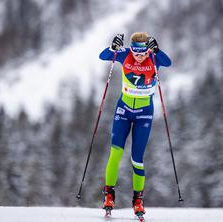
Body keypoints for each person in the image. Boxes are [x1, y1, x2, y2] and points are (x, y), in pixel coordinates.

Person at [99, 32, 171, 216]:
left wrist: (157, 50)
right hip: (123, 110)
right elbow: (103, 56)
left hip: (144, 115)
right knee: (115, 153)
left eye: (143, 53)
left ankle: (138, 200)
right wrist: (113, 47)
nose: (139, 57)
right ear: (131, 49)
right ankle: (109, 195)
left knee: (137, 159)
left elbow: (168, 62)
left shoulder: (154, 58)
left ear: (148, 51)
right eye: (136, 53)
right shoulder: (125, 54)